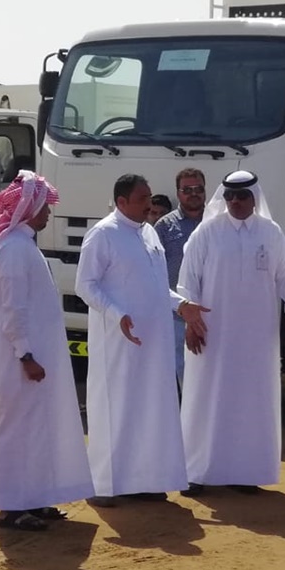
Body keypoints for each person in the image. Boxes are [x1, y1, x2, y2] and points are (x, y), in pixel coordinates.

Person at [76, 174, 210, 506]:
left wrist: (181, 305)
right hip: (119, 342)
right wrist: (116, 313)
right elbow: (85, 285)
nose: (149, 204)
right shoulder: (103, 234)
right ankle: (104, 485)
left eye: (149, 197)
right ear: (121, 202)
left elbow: (156, 287)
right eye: (141, 199)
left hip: (153, 342)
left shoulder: (149, 233)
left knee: (150, 409)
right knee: (116, 409)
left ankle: (145, 480)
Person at [0, 170, 94, 531]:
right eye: (44, 207)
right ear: (28, 208)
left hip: (33, 360)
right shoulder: (13, 249)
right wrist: (25, 355)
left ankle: (35, 498)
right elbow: (14, 310)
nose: (48, 213)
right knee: (15, 430)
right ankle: (12, 507)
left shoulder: (22, 246)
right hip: (19, 362)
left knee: (37, 428)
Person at [177, 170, 285, 495]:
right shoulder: (208, 232)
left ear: (254, 198)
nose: (235, 202)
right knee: (206, 398)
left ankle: (245, 472)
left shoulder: (271, 232)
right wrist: (191, 322)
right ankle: (197, 471)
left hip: (257, 338)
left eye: (242, 196)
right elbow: (187, 281)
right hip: (212, 333)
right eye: (230, 196)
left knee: (250, 401)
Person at [153, 168, 206, 385]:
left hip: (212, 312)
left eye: (198, 189)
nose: (193, 194)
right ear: (178, 193)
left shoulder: (216, 222)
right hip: (177, 315)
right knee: (183, 368)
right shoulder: (164, 226)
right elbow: (154, 272)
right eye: (187, 190)